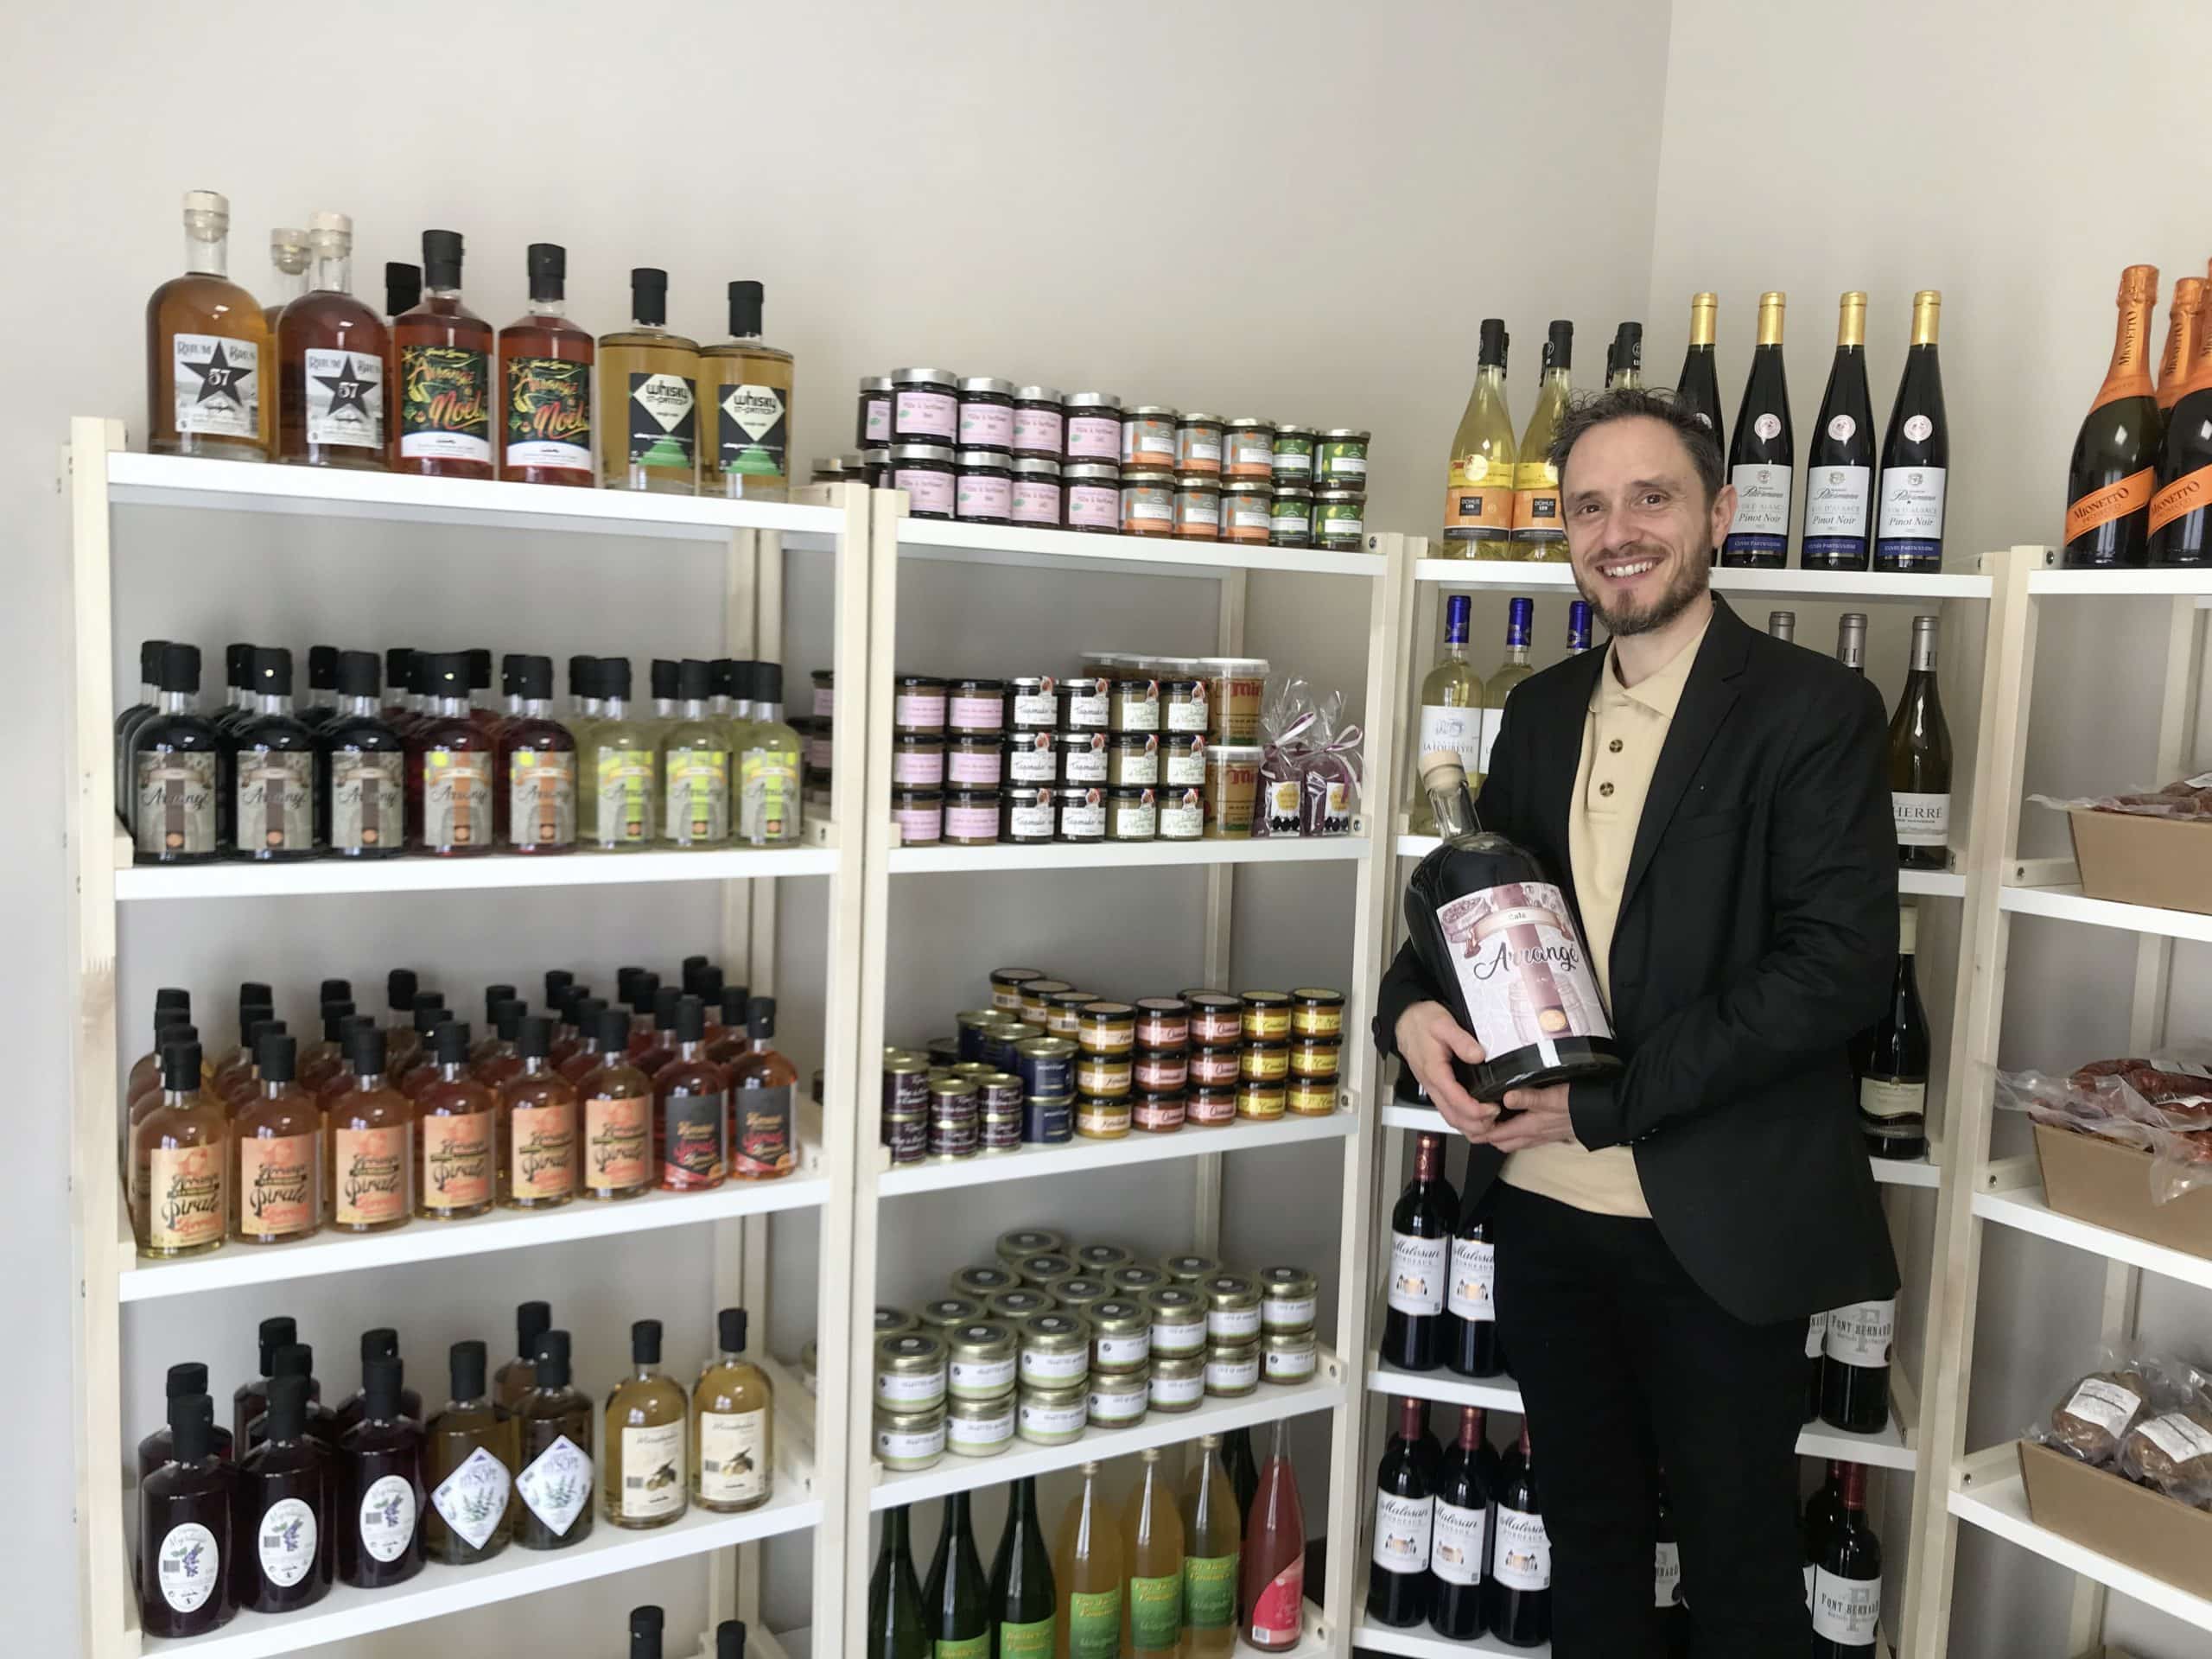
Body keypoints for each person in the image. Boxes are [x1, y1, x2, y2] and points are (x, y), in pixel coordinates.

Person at [1375, 385, 1900, 1656]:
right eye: (1588, 508)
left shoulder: (1813, 708)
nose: (1618, 532)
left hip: (1717, 1224)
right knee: (1589, 1539)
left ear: (1718, 513)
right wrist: (1409, 1011)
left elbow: (1835, 971)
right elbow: (1481, 908)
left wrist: (1606, 1103)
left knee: (1738, 1567)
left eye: (1650, 498)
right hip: (1546, 1213)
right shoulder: (1544, 710)